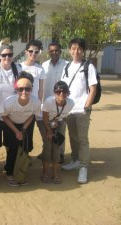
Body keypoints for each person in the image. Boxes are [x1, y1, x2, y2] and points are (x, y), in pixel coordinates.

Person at [61, 38, 97, 184]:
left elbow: (93, 88)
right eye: (73, 48)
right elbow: (63, 88)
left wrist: (86, 107)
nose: (76, 51)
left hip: (82, 109)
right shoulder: (67, 66)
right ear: (69, 50)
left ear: (83, 50)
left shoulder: (88, 66)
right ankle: (75, 160)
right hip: (69, 109)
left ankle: (83, 167)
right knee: (73, 137)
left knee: (82, 139)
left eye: (79, 49)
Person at [1, 72, 41, 186]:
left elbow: (32, 115)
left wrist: (23, 129)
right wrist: (16, 131)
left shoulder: (36, 102)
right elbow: (4, 116)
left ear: (31, 89)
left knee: (25, 148)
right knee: (13, 149)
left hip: (25, 124)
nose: (24, 92)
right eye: (20, 89)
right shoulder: (9, 102)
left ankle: (21, 172)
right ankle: (9, 173)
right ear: (16, 89)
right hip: (11, 124)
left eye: (27, 89)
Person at [0, 39, 22, 173]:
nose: (7, 58)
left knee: (10, 139)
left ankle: (10, 162)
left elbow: (21, 87)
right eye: (4, 55)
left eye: (10, 55)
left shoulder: (18, 68)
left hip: (11, 111)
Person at [40, 81, 74, 184]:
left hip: (58, 122)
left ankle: (55, 173)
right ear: (54, 93)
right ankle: (45, 172)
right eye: (58, 92)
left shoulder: (71, 103)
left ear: (68, 93)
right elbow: (45, 118)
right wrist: (49, 131)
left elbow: (62, 117)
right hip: (45, 122)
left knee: (57, 146)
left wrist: (56, 126)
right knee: (48, 145)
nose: (61, 94)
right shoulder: (49, 101)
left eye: (64, 92)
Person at [40, 42, 69, 163]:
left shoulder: (67, 65)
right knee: (47, 129)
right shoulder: (44, 65)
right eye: (51, 51)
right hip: (48, 103)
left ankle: (60, 154)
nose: (54, 53)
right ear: (48, 52)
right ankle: (45, 152)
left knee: (60, 129)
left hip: (61, 103)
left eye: (56, 50)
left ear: (60, 51)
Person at [21, 40, 46, 153]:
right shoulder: (19, 67)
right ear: (26, 52)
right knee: (18, 130)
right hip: (20, 104)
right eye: (31, 51)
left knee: (28, 132)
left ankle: (25, 156)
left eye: (36, 52)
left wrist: (39, 105)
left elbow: (41, 89)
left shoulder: (40, 69)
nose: (33, 54)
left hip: (32, 105)